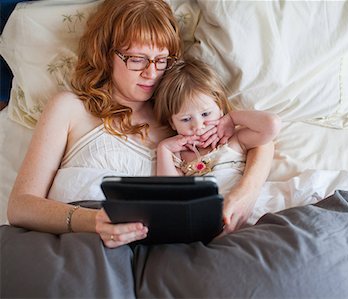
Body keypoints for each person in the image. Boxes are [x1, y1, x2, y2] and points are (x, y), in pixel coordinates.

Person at [7, 0, 274, 248]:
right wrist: (93, 221)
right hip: (79, 246)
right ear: (105, 54)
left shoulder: (179, 118)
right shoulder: (70, 108)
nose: (151, 73)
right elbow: (21, 207)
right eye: (136, 59)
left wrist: (246, 193)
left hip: (163, 253)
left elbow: (259, 143)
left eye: (161, 60)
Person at [153, 58, 281, 226]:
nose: (198, 126)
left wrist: (233, 118)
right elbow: (171, 193)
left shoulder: (234, 140)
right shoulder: (180, 155)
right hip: (212, 219)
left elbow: (271, 125)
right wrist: (164, 150)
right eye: (185, 119)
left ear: (220, 108)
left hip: (250, 208)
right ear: (172, 123)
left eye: (206, 114)